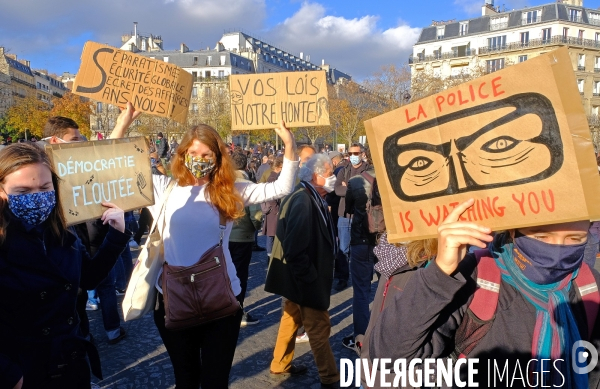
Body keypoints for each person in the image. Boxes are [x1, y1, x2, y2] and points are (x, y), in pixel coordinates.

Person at [110, 103, 298, 388]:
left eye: (207, 154)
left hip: (222, 299)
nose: (199, 159)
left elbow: (281, 188)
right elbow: (115, 170)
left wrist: (289, 144)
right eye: (193, 153)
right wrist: (122, 125)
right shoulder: (164, 187)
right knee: (185, 378)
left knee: (215, 380)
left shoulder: (232, 190)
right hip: (173, 298)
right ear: (183, 155)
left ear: (218, 157)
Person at [369, 199, 600, 388]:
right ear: (513, 231)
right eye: (541, 237)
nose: (556, 253)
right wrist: (440, 274)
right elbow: (390, 356)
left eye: (574, 239)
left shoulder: (590, 287)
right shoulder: (474, 277)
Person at [0, 143, 129, 389]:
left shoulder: (62, 232)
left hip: (70, 365)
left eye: (44, 188)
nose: (36, 197)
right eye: (23, 191)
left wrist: (116, 235)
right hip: (26, 371)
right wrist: (9, 375)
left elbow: (88, 279)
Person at [43, 116, 128, 346]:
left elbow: (104, 158)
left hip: (84, 247)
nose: (80, 144)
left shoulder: (76, 167)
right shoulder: (43, 169)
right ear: (55, 140)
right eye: (75, 139)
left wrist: (121, 123)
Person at [265, 154, 339, 389]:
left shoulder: (308, 195)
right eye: (329, 174)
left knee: (290, 318)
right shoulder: (303, 200)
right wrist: (310, 280)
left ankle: (280, 363)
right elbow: (295, 249)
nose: (333, 178)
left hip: (299, 277)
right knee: (319, 327)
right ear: (316, 175)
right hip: (305, 278)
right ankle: (330, 378)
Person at [341, 150, 378, 352]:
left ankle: (361, 336)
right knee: (386, 288)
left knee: (362, 291)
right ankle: (384, 333)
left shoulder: (356, 181)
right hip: (387, 242)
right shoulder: (392, 180)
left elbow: (348, 208)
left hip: (361, 239)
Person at [229, 151, 263, 326]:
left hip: (223, 237)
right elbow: (255, 215)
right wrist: (258, 227)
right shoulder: (248, 185)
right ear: (245, 166)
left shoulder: (222, 183)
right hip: (243, 238)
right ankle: (238, 311)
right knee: (239, 276)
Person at [333, 143, 370, 291]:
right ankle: (342, 278)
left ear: (362, 154)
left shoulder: (369, 170)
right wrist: (354, 188)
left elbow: (368, 190)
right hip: (344, 215)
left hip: (363, 215)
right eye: (350, 153)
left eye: (356, 153)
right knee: (342, 249)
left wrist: (347, 187)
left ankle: (361, 279)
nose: (353, 156)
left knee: (362, 248)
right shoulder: (343, 170)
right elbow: (337, 190)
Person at [261, 157, 283, 256]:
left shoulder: (272, 176)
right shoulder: (274, 177)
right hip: (273, 210)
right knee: (272, 234)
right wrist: (276, 209)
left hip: (272, 209)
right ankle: (270, 255)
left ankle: (270, 254)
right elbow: (272, 196)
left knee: (272, 233)